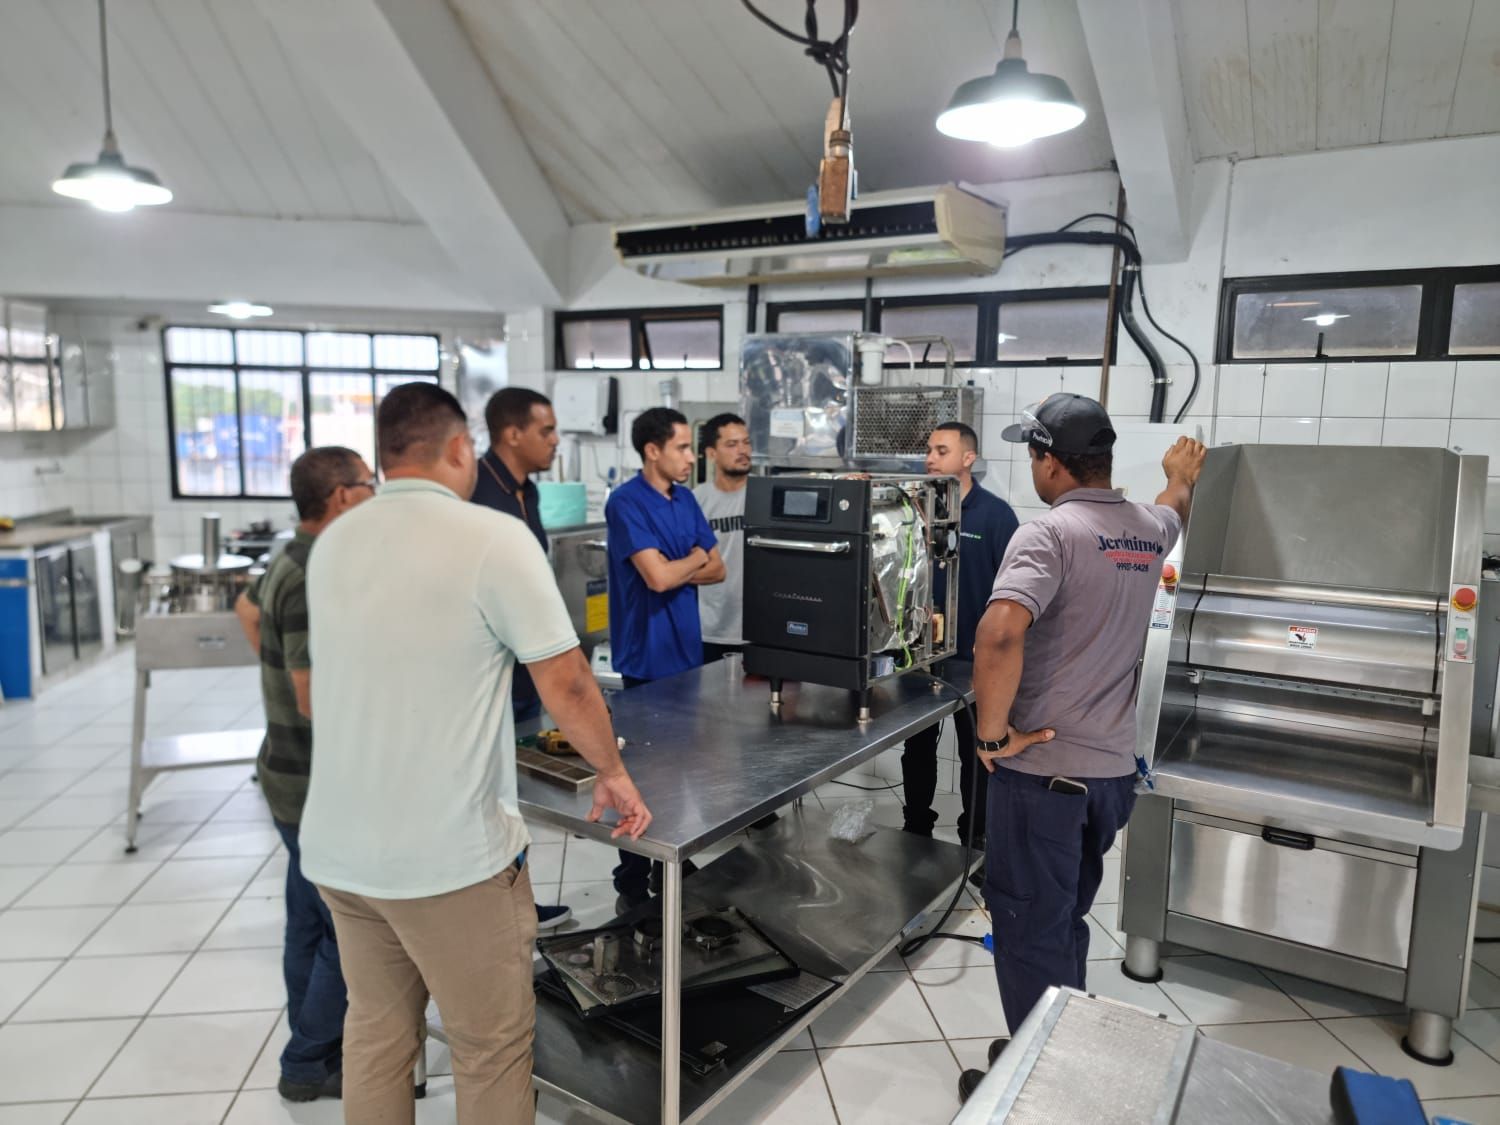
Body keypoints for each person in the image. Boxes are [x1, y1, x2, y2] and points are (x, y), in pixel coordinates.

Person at [300, 383, 651, 1124]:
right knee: (490, 1049)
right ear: (461, 448)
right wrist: (612, 772)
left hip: (341, 853)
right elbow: (566, 679)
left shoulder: (335, 541)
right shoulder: (489, 537)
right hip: (446, 858)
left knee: (375, 1034)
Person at [957, 394, 1205, 1103]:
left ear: (1048, 459)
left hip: (1044, 779)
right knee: (1064, 917)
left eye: (1032, 454)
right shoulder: (1147, 527)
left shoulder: (1049, 533)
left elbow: (999, 633)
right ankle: (1061, 1048)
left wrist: (992, 734)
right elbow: (1174, 506)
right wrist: (1178, 473)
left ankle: (1043, 1093)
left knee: (1029, 925)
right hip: (1107, 778)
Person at [233, 446, 376, 1104]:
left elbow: (247, 610)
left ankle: (314, 1047)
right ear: (343, 496)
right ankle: (306, 1058)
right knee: (349, 930)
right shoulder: (320, 568)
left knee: (308, 922)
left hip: (285, 772)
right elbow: (316, 696)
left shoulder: (286, 554)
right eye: (370, 484)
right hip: (318, 781)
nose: (377, 494)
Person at [605, 406, 724, 911]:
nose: (689, 457)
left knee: (681, 766)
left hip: (686, 653)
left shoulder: (686, 498)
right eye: (680, 447)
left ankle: (669, 858)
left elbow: (717, 570)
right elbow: (656, 579)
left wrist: (685, 564)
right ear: (652, 450)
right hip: (645, 657)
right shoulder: (625, 502)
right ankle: (632, 870)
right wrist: (693, 558)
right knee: (644, 771)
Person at [469, 386, 572, 931]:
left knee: (514, 797)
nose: (555, 441)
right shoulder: (477, 493)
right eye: (547, 431)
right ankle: (494, 912)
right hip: (489, 677)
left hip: (524, 674)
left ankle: (521, 904)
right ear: (512, 433)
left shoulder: (525, 492)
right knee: (489, 798)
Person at [901, 422, 1018, 848]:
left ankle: (978, 837)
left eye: (941, 450)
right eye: (929, 449)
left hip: (976, 659)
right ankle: (916, 827)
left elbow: (1013, 590)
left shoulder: (996, 515)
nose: (930, 458)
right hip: (922, 656)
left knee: (977, 750)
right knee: (916, 747)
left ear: (968, 458)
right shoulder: (915, 510)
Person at [693, 412, 751, 663]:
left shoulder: (767, 496)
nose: (742, 450)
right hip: (710, 630)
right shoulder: (696, 500)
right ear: (712, 454)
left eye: (746, 442)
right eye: (731, 444)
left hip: (761, 630)